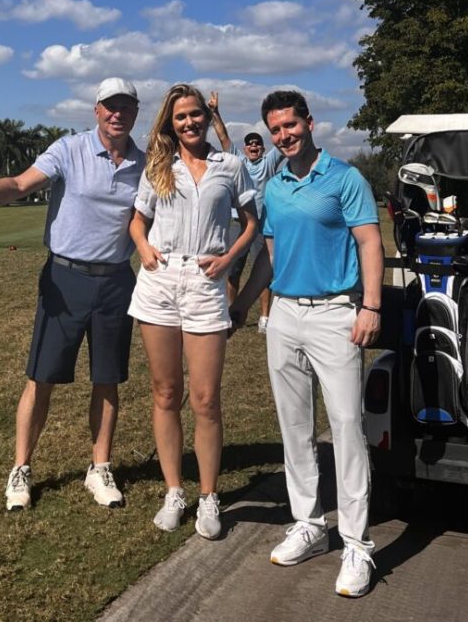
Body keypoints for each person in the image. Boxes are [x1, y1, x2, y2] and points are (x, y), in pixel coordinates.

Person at [0, 78, 145, 512]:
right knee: (41, 378)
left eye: (126, 107)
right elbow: (21, 184)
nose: (118, 114)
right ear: (96, 110)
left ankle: (99, 468)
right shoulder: (69, 149)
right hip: (65, 277)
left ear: (135, 113)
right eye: (109, 106)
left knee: (108, 378)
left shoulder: (144, 161)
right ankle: (21, 468)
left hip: (117, 279)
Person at [230, 89, 384, 598]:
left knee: (346, 429)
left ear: (309, 123)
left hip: (337, 313)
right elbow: (269, 258)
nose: (283, 136)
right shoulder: (275, 188)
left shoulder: (345, 179)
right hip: (287, 316)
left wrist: (371, 306)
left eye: (290, 126)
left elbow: (368, 242)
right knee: (295, 428)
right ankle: (309, 524)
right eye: (275, 130)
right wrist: (245, 305)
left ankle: (358, 545)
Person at [128, 83, 257, 539]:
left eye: (196, 115)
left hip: (206, 283)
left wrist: (228, 259)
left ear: (206, 116)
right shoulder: (158, 166)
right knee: (165, 392)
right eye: (180, 117)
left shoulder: (231, 165)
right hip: (160, 280)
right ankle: (173, 491)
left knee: (205, 399)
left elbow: (252, 224)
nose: (189, 122)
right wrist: (142, 246)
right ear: (170, 122)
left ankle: (208, 496)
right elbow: (138, 221)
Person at [207, 91, 282, 330]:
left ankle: (264, 317)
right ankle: (232, 311)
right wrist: (215, 113)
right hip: (239, 223)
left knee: (264, 271)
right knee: (232, 270)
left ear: (262, 148)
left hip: (263, 225)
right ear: (245, 148)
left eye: (257, 144)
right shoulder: (238, 161)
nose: (253, 147)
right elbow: (223, 138)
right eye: (250, 144)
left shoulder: (269, 163)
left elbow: (281, 145)